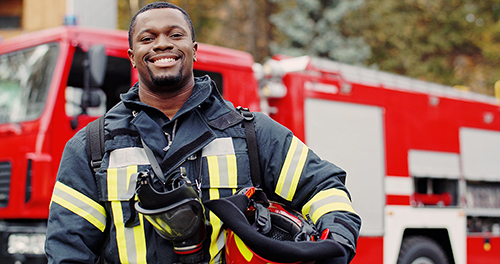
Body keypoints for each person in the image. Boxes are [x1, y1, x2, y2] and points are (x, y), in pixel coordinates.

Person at [45, 2, 361, 264]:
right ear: (132, 56)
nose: (162, 44)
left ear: (194, 50)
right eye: (147, 38)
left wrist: (337, 235)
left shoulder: (251, 134)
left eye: (175, 34)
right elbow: (68, 247)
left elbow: (322, 186)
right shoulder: (92, 146)